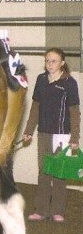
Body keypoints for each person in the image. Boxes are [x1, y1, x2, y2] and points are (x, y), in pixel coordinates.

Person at [23, 48, 81, 223]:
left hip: (62, 135)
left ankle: (58, 211)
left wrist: (74, 138)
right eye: (47, 60)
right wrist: (28, 131)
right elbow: (35, 108)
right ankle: (41, 210)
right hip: (43, 134)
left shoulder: (69, 83)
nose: (50, 64)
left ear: (62, 63)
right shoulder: (41, 80)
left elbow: (74, 112)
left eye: (54, 61)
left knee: (58, 173)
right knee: (43, 172)